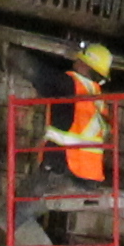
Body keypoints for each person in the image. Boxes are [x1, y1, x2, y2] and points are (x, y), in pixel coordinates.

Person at [49, 39, 117, 189]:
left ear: (85, 64)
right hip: (91, 175)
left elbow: (37, 74)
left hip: (67, 166)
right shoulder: (99, 99)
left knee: (20, 210)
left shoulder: (71, 84)